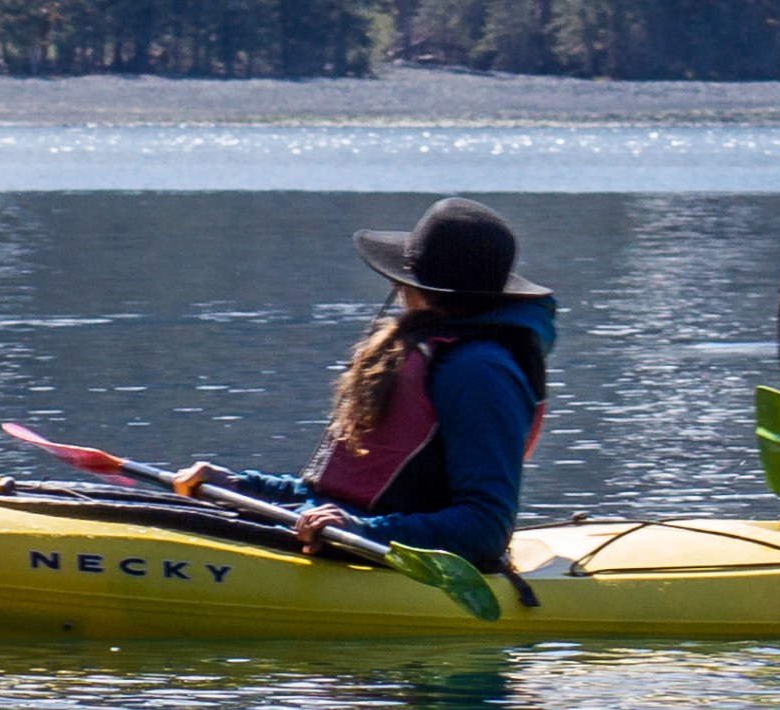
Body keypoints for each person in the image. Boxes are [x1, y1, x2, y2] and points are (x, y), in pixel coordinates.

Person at [172, 197, 556, 571]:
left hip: (395, 561)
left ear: (412, 287)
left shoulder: (480, 372)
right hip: (344, 543)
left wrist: (362, 530)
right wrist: (241, 485)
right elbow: (330, 496)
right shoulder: (416, 351)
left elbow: (485, 528)